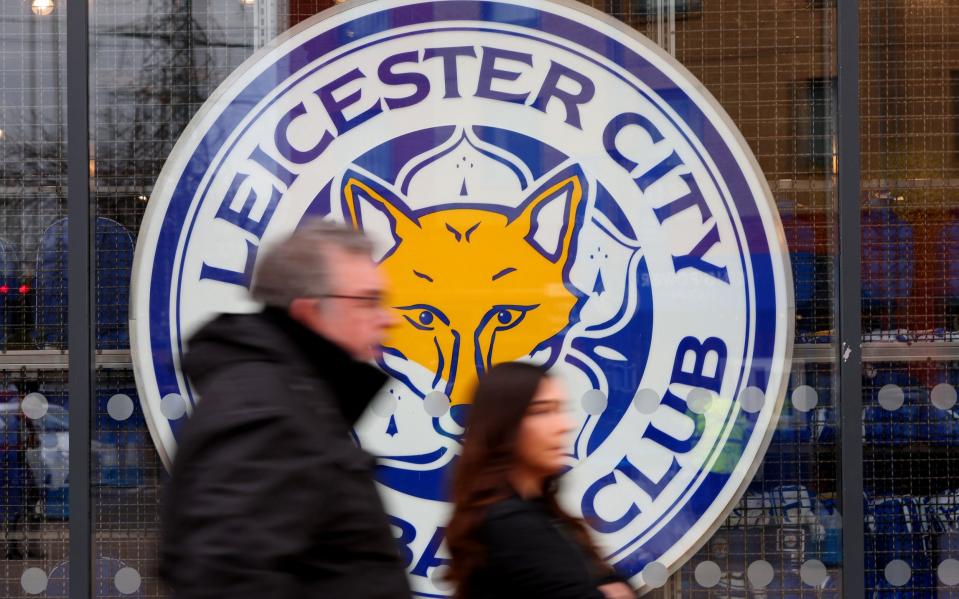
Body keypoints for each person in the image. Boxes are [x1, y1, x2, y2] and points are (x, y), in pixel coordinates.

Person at [159, 221, 411, 599]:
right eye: (368, 300)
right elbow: (225, 576)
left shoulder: (295, 398)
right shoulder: (266, 414)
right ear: (311, 312)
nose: (388, 318)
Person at [445, 362, 636, 599]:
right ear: (504, 425)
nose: (566, 425)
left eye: (561, 410)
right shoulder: (510, 523)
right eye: (543, 411)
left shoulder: (540, 514)